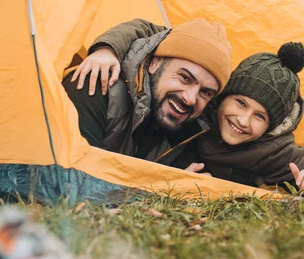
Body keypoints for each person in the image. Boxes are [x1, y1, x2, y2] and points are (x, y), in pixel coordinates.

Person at [71, 20, 304, 193]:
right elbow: (152, 34)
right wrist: (107, 48)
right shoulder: (197, 118)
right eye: (240, 103)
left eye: (261, 116)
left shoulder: (193, 122)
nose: (190, 97)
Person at [63, 19, 232, 169]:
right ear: (155, 63)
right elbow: (74, 181)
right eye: (185, 78)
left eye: (205, 92)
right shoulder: (95, 86)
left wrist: (178, 189)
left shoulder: (190, 131)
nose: (189, 99)